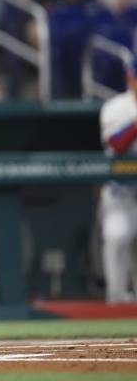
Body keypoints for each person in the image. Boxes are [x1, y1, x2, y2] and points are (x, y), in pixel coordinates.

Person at [99, 57, 137, 302]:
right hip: (120, 194)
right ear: (129, 78)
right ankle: (116, 302)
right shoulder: (115, 107)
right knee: (117, 236)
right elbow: (117, 143)